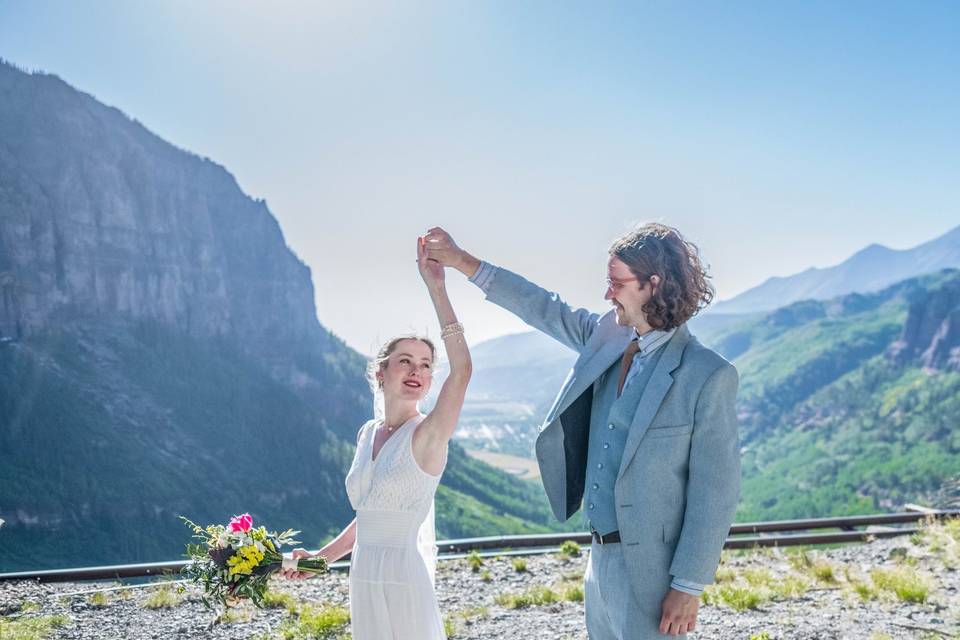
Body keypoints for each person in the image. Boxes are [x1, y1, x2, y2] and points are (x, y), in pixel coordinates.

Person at [423, 223, 740, 639]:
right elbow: (542, 307)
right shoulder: (607, 336)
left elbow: (716, 491)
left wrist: (688, 585)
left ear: (652, 284)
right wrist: (461, 261)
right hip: (598, 557)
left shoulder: (707, 373)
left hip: (655, 572)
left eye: (616, 283)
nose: (608, 294)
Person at [282, 235, 471, 640]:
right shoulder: (368, 433)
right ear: (381, 373)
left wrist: (437, 288)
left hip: (404, 579)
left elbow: (462, 371)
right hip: (363, 576)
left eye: (424, 364)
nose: (416, 370)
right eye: (405, 361)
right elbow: (367, 521)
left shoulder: (428, 435)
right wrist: (314, 562)